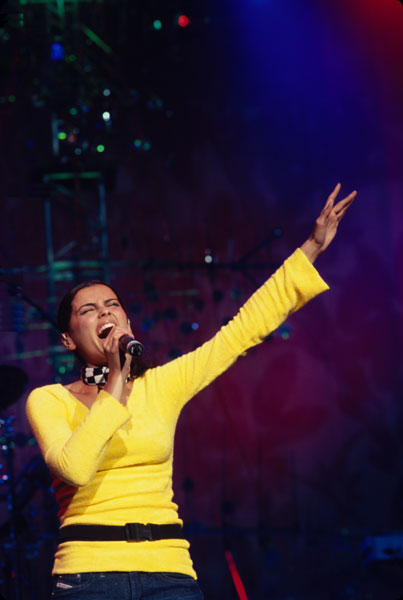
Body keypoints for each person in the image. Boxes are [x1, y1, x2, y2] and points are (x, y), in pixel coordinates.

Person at [26, 183, 356, 599]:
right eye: (88, 311)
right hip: (88, 575)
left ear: (126, 318)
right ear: (69, 339)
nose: (104, 312)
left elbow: (240, 331)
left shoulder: (160, 385)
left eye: (112, 304)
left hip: (168, 573)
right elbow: (74, 468)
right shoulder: (49, 399)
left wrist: (312, 246)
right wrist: (116, 378)